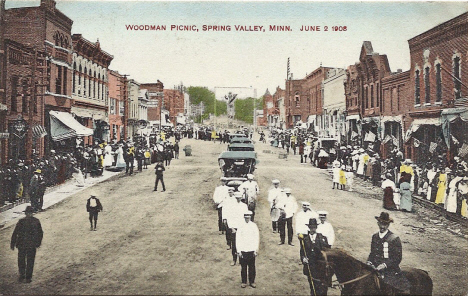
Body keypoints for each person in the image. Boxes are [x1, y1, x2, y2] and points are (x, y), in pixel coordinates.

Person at [366, 212, 410, 294]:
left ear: (389, 225)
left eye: (385, 224)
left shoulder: (394, 238)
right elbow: (372, 253)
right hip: (374, 268)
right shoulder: (375, 236)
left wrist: (384, 265)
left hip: (389, 270)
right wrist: (369, 262)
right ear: (378, 223)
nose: (383, 226)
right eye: (381, 223)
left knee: (389, 289)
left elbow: (397, 258)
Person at [10, 206, 43, 283]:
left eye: (30, 213)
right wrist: (12, 243)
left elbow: (40, 233)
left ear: (32, 213)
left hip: (30, 245)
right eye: (28, 213)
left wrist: (38, 242)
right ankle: (22, 274)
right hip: (23, 244)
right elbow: (15, 232)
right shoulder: (21, 221)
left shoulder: (36, 221)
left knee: (30, 260)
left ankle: (28, 276)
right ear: (26, 213)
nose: (29, 214)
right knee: (21, 260)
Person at [299, 218, 330, 296]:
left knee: (322, 286)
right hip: (310, 266)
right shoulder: (304, 239)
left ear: (316, 227)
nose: (313, 229)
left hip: (321, 267)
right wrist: (303, 258)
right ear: (309, 227)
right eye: (311, 227)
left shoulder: (322, 238)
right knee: (312, 286)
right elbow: (302, 251)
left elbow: (327, 251)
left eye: (314, 227)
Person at [223, 192, 248, 266]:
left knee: (241, 244)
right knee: (234, 245)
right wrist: (232, 228)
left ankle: (241, 260)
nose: (238, 199)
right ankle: (234, 259)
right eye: (237, 198)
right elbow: (229, 217)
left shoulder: (244, 206)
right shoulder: (231, 206)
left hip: (242, 227)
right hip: (234, 227)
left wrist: (244, 227)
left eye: (239, 198)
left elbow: (246, 217)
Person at [236, 210, 259, 288]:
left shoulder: (254, 226)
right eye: (246, 217)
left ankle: (252, 281)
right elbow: (238, 239)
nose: (247, 218)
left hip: (251, 250)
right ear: (244, 217)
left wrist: (255, 250)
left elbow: (256, 238)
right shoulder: (240, 226)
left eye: (248, 216)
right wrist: (239, 251)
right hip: (243, 250)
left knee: (252, 266)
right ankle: (244, 281)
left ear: (250, 217)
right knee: (243, 267)